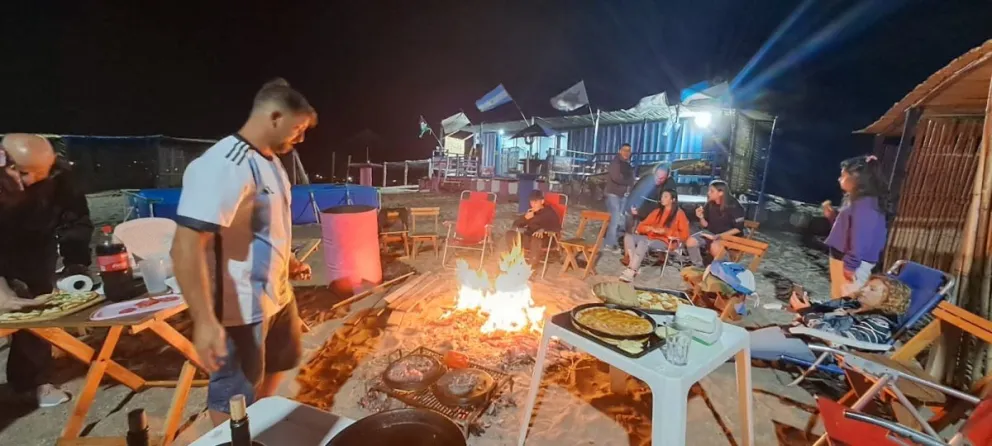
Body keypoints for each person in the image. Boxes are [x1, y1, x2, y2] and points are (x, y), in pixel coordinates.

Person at [170, 78, 317, 425]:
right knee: (235, 390)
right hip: (240, 306)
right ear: (275, 116)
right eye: (297, 129)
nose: (301, 138)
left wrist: (291, 261)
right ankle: (232, 436)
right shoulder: (225, 164)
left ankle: (257, 425)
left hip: (277, 296)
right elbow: (186, 245)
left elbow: (268, 226)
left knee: (281, 362)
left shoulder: (271, 162)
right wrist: (204, 321)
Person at [0, 133, 93, 407]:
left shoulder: (60, 176)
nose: (33, 182)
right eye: (26, 174)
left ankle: (31, 382)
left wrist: (76, 263)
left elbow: (76, 220)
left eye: (41, 174)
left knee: (35, 304)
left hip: (33, 241)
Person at [750, 274, 910, 362]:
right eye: (866, 285)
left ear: (889, 299)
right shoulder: (852, 305)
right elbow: (824, 310)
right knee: (742, 341)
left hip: (821, 351)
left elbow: (839, 343)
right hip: (801, 335)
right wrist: (807, 305)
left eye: (872, 289)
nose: (864, 289)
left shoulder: (879, 323)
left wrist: (806, 312)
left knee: (742, 345)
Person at [822, 155, 888, 299]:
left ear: (857, 178)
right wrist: (833, 217)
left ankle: (839, 320)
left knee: (846, 298)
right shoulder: (858, 200)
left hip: (852, 260)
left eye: (843, 175)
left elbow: (862, 237)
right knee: (838, 295)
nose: (839, 179)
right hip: (844, 257)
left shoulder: (865, 205)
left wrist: (851, 265)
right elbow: (849, 231)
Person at [620, 189, 689, 282]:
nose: (662, 199)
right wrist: (648, 228)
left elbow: (684, 234)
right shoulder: (657, 212)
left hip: (666, 241)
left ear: (673, 200)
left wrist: (665, 232)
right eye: (662, 196)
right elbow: (641, 226)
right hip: (651, 237)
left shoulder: (679, 214)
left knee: (643, 242)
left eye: (665, 197)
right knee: (628, 237)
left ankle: (632, 270)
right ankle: (633, 265)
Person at [686, 180, 744, 267]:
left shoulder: (734, 206)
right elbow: (705, 225)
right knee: (691, 241)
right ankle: (698, 266)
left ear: (721, 193)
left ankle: (724, 268)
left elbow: (738, 228)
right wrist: (701, 217)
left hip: (728, 236)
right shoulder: (710, 204)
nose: (708, 193)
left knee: (714, 246)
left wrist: (720, 236)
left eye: (712, 191)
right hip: (711, 233)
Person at [505, 190, 561, 264]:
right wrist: (525, 218)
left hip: (545, 239)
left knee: (536, 238)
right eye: (531, 202)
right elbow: (515, 225)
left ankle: (532, 266)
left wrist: (543, 230)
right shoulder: (531, 212)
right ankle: (514, 261)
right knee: (510, 234)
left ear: (542, 201)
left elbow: (557, 228)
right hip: (529, 237)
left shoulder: (549, 212)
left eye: (536, 202)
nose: (533, 205)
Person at [603, 143, 634, 252]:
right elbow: (616, 178)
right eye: (624, 150)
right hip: (613, 194)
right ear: (619, 151)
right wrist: (628, 182)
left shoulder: (627, 165)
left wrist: (629, 183)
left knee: (620, 220)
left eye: (628, 151)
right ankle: (609, 244)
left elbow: (631, 179)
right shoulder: (615, 163)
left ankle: (613, 242)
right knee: (615, 219)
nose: (626, 152)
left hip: (623, 195)